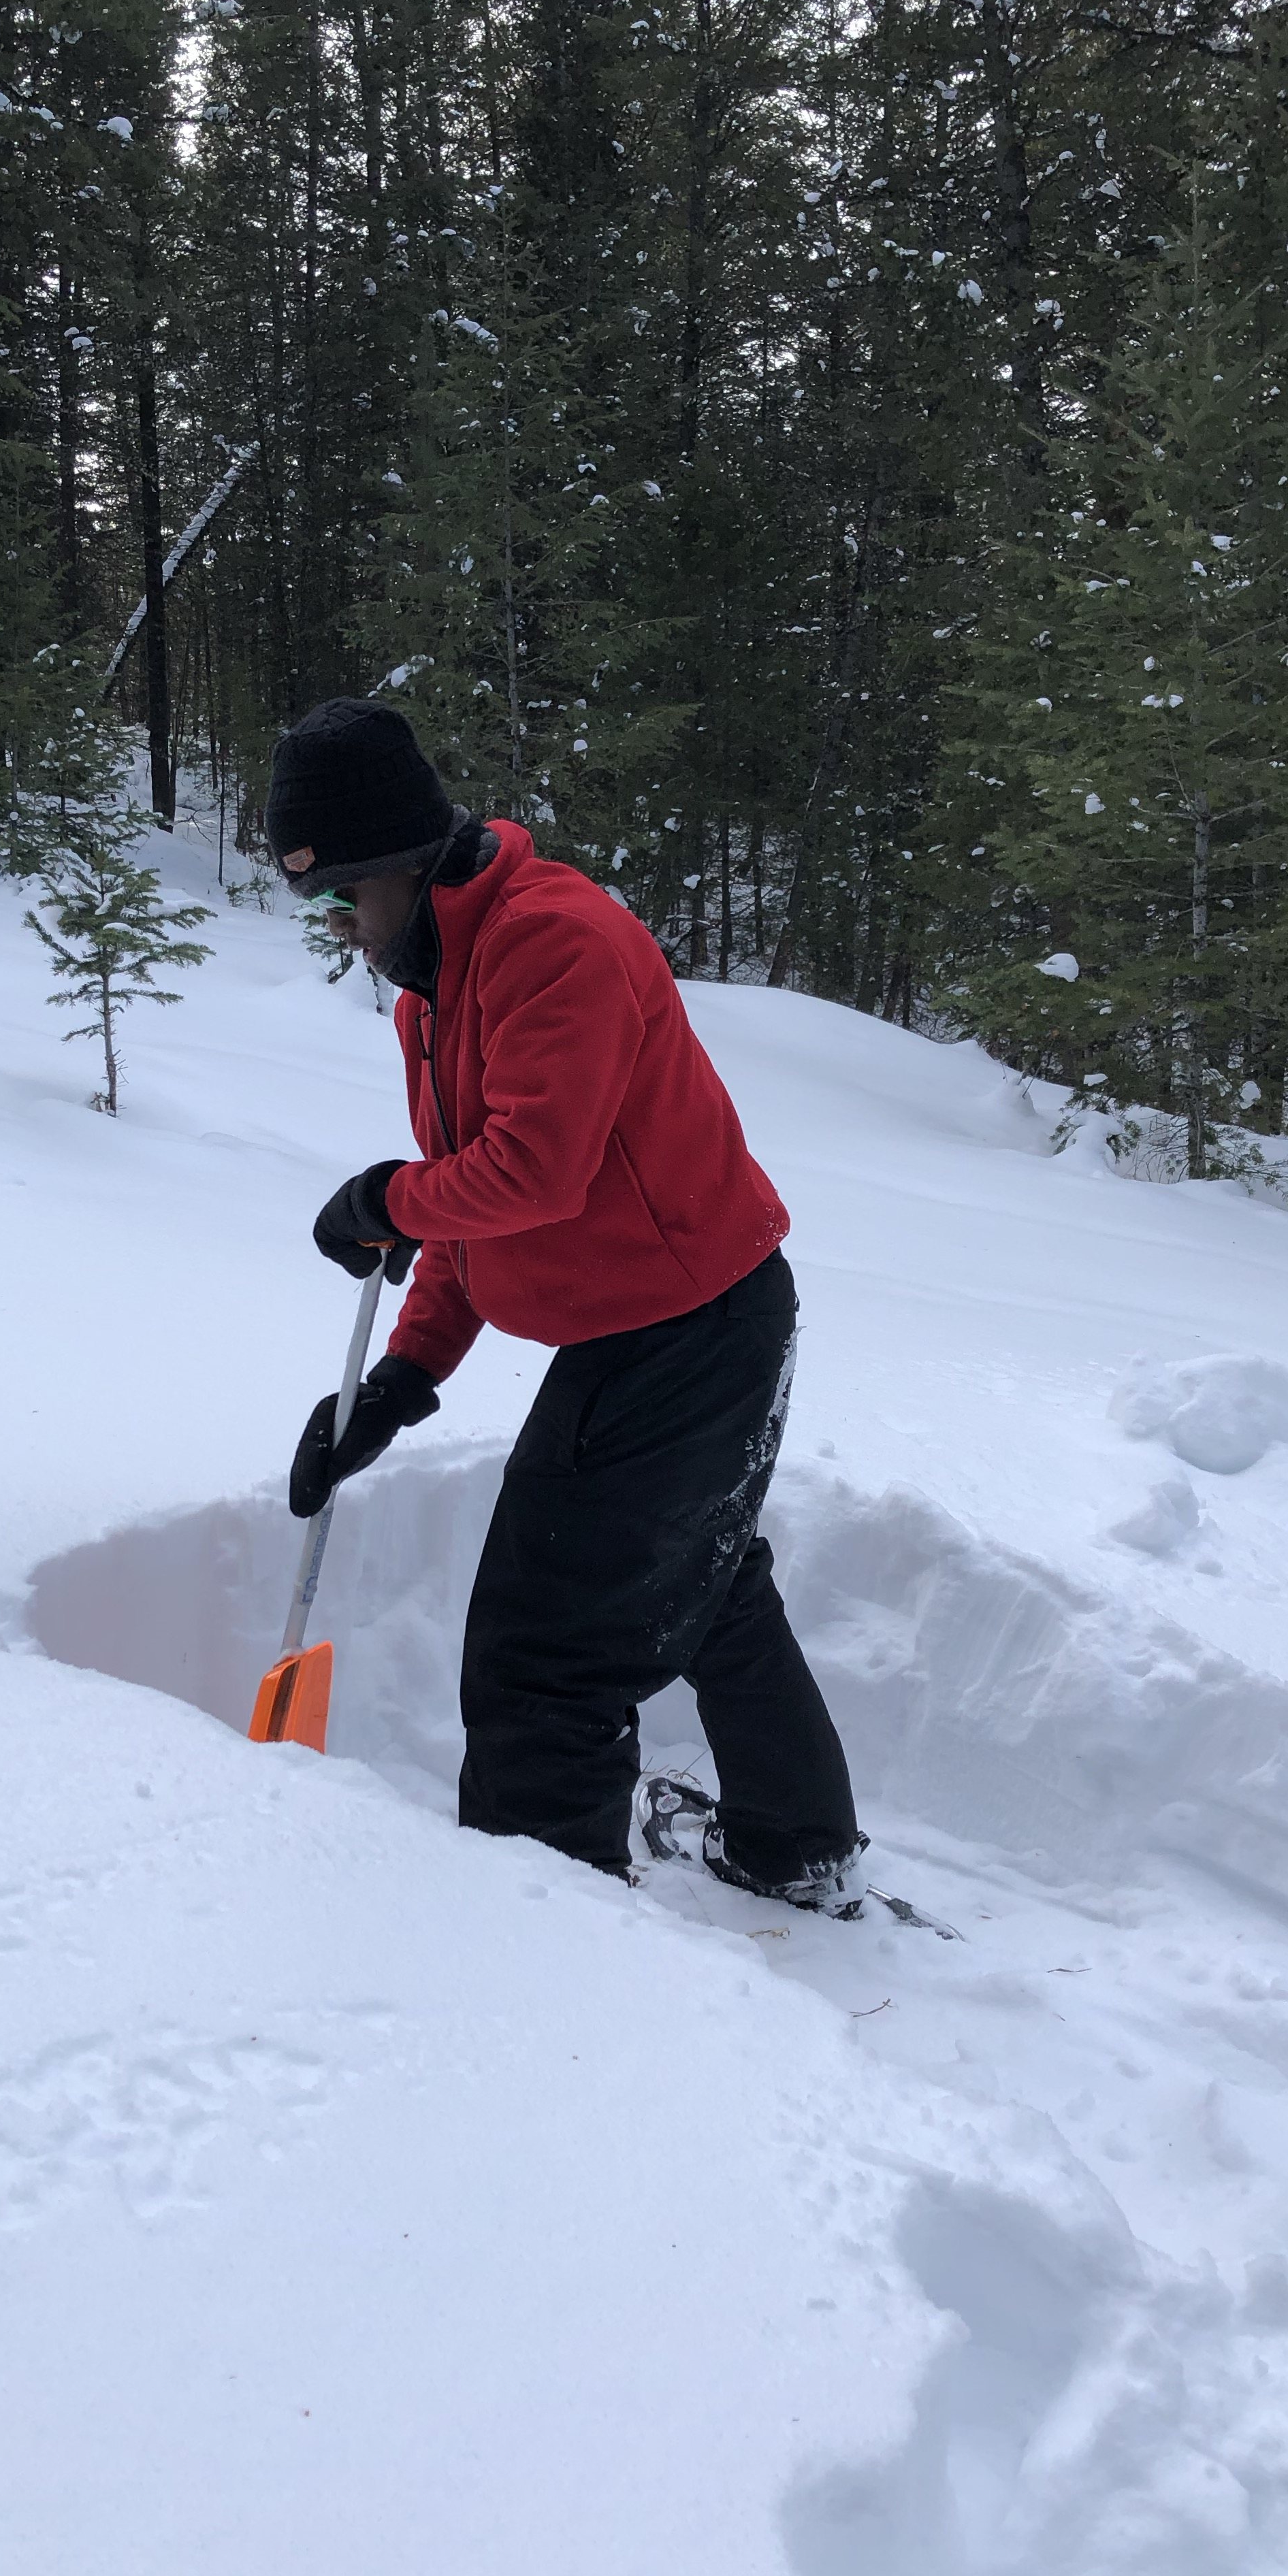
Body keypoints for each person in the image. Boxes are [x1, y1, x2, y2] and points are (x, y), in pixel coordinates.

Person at [268, 697, 863, 1912]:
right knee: (702, 1583)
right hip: (650, 1328)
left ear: (400, 863)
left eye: (342, 897)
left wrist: (387, 1198)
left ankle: (541, 1946)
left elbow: (537, 1173)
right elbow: (477, 1207)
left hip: (692, 1329)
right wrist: (403, 1381)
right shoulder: (432, 992)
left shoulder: (553, 942)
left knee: (543, 1653)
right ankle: (796, 1848)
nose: (342, 930)